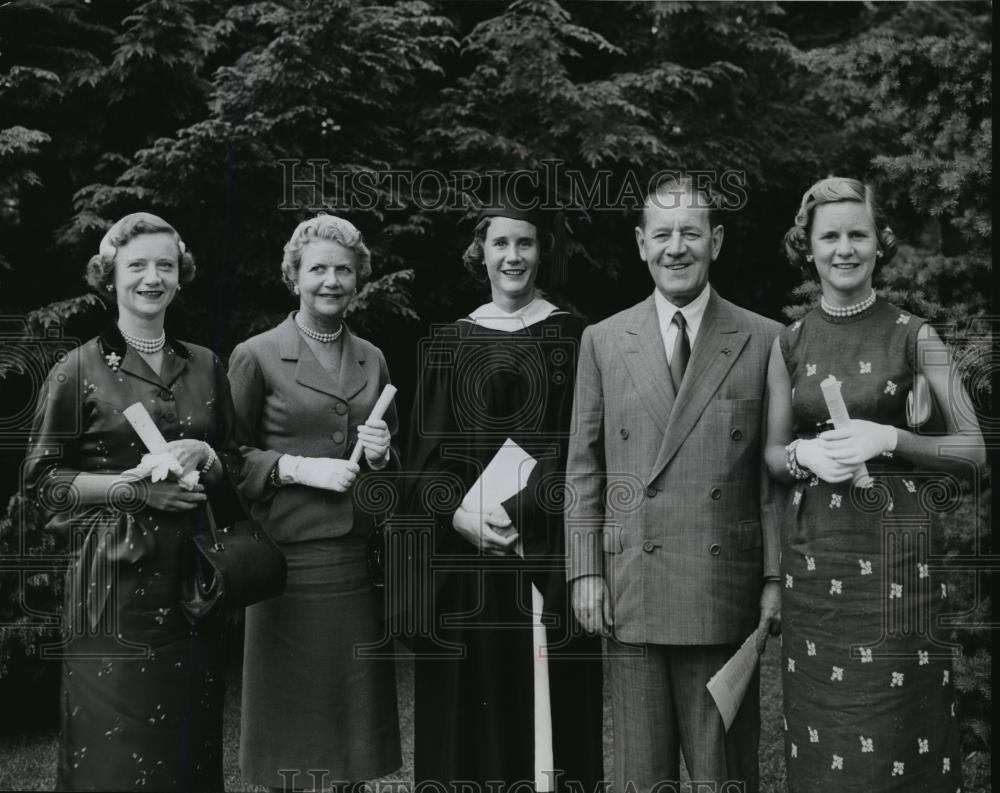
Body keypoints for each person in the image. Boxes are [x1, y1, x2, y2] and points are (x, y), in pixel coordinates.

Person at [764, 176, 985, 792]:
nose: (844, 248)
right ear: (806, 246)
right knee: (823, 738)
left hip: (898, 570)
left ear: (879, 242)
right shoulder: (790, 343)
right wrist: (805, 455)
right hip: (817, 574)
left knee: (901, 735)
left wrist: (891, 440)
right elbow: (773, 457)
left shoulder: (917, 336)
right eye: (829, 236)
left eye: (857, 234)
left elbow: (975, 452)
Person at [565, 177, 782, 793]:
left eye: (690, 232)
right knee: (641, 775)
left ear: (715, 240)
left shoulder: (765, 340)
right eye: (662, 233)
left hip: (723, 591)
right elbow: (584, 466)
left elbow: (771, 482)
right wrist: (584, 570)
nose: (676, 247)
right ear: (640, 243)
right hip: (632, 585)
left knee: (725, 774)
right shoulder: (604, 340)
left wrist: (773, 579)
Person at [24, 212, 240, 792]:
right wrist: (134, 490)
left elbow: (236, 464)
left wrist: (208, 456)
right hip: (110, 590)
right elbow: (42, 481)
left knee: (189, 753)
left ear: (180, 275)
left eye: (164, 265)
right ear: (110, 276)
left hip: (194, 588)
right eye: (137, 265)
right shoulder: (79, 369)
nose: (152, 277)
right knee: (114, 760)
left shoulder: (206, 366)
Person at [401, 185, 604, 792]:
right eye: (500, 243)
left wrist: (521, 509)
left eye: (524, 242)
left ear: (541, 251)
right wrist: (456, 514)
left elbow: (585, 447)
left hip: (545, 555)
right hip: (467, 564)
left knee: (552, 716)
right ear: (480, 253)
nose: (512, 256)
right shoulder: (449, 342)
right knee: (469, 717)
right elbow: (424, 459)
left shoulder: (576, 336)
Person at [228, 214, 401, 791]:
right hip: (284, 564)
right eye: (318, 269)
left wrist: (379, 456)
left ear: (359, 280)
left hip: (354, 562)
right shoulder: (256, 354)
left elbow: (388, 474)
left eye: (344, 270)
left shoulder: (373, 358)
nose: (331, 280)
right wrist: (294, 467)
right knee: (291, 728)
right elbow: (226, 457)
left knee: (349, 730)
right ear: (294, 275)